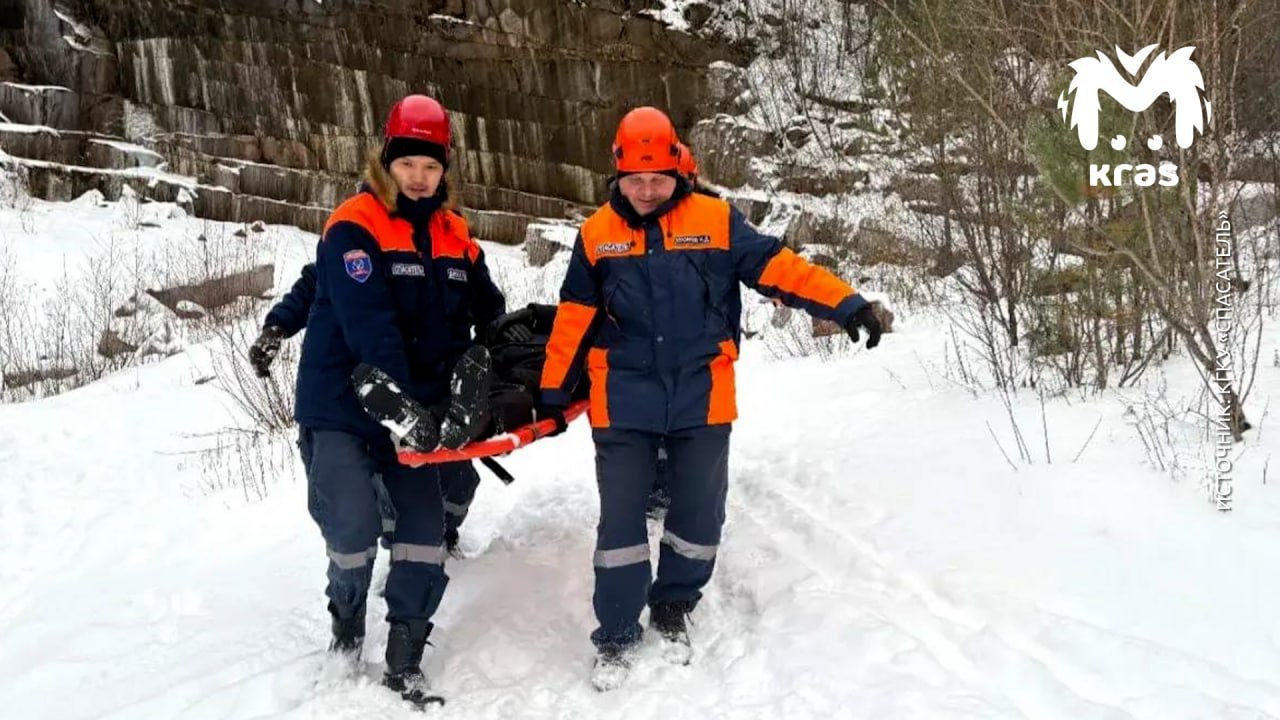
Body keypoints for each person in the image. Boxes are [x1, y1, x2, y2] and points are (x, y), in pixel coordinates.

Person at [538, 106, 883, 691]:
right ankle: (617, 634)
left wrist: (845, 304)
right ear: (617, 175)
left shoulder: (717, 220)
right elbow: (574, 317)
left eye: (658, 180)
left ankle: (674, 606)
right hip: (623, 397)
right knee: (620, 519)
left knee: (699, 512)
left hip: (702, 393)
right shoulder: (596, 234)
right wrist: (551, 391)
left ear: (678, 171)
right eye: (634, 181)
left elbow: (781, 269)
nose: (646, 192)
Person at [292, 93, 506, 705]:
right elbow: (372, 330)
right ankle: (347, 618)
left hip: (421, 413)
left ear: (445, 171)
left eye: (431, 166)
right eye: (408, 163)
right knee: (354, 527)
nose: (419, 176)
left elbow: (485, 307)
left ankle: (406, 653)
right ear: (387, 160)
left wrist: (513, 347)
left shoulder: (456, 234)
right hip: (343, 406)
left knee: (420, 533)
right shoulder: (353, 225)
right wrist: (411, 411)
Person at [249, 265, 483, 556]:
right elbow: (317, 278)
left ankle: (442, 540)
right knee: (362, 497)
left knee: (454, 479)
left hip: (428, 388)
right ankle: (395, 561)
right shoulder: (357, 237)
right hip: (359, 390)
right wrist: (278, 326)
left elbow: (482, 302)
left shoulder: (449, 244)